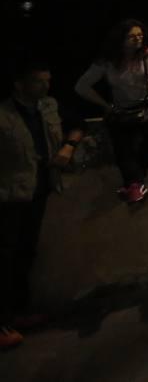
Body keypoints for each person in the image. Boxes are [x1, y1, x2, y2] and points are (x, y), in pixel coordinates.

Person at [1, 61, 81, 348]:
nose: (45, 86)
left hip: (38, 190)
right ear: (19, 84)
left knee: (25, 253)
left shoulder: (48, 106)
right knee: (5, 257)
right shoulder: (4, 115)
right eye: (38, 81)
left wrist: (68, 146)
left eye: (47, 80)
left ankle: (18, 313)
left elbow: (76, 124)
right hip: (9, 195)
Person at [74, 19, 148, 203]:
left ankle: (134, 183)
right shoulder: (107, 62)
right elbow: (81, 86)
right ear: (120, 39)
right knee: (120, 140)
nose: (138, 39)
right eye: (132, 36)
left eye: (140, 35)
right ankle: (137, 182)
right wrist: (105, 105)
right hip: (124, 108)